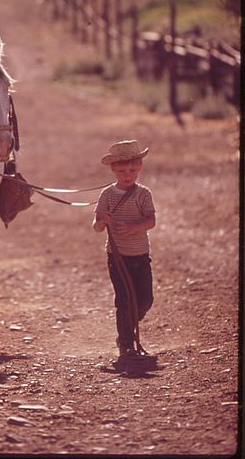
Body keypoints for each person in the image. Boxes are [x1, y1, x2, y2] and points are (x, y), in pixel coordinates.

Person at [93, 140, 156, 358]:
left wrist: (132, 227)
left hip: (141, 256)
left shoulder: (143, 194)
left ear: (140, 167)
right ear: (113, 169)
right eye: (121, 170)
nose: (127, 175)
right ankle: (126, 343)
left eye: (131, 170)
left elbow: (151, 221)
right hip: (117, 257)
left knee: (145, 299)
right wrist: (103, 222)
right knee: (123, 300)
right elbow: (96, 226)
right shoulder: (107, 195)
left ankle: (127, 327)